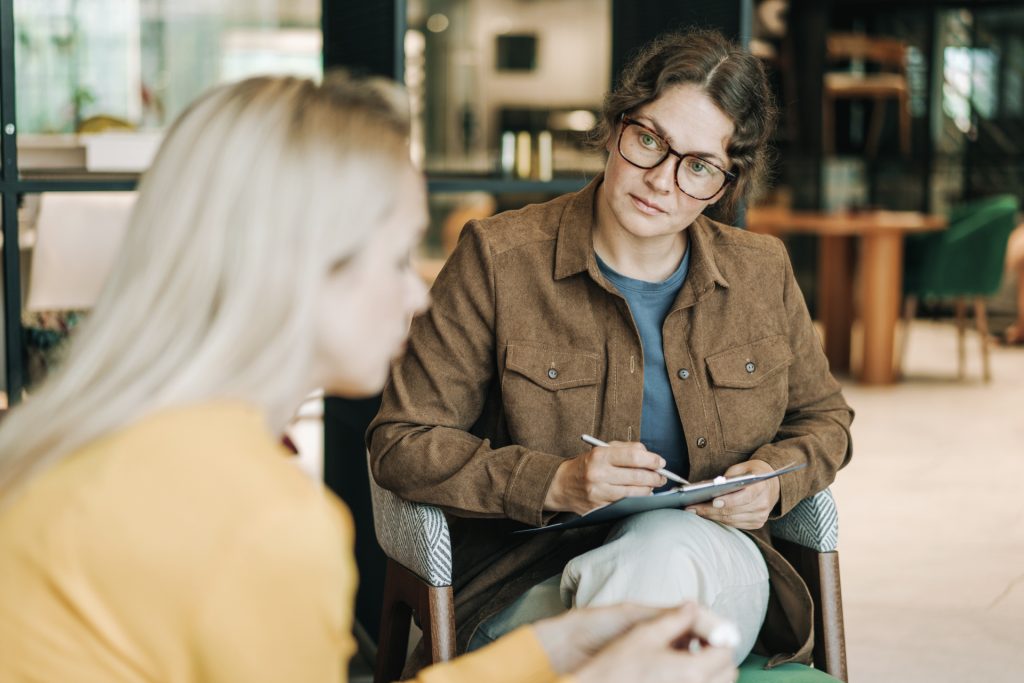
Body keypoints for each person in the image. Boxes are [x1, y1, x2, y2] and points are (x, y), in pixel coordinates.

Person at [0, 74, 738, 683]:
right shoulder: (267, 523)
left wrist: (551, 652)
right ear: (295, 268)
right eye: (393, 258)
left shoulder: (90, 442)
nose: (416, 294)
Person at [368, 28, 854, 672]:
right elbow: (402, 440)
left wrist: (772, 482)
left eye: (699, 165)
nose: (661, 180)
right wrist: (556, 482)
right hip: (528, 584)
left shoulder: (761, 271)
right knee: (648, 609)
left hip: (714, 567)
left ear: (727, 181)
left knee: (660, 549)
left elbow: (827, 421)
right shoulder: (498, 259)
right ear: (616, 125)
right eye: (650, 141)